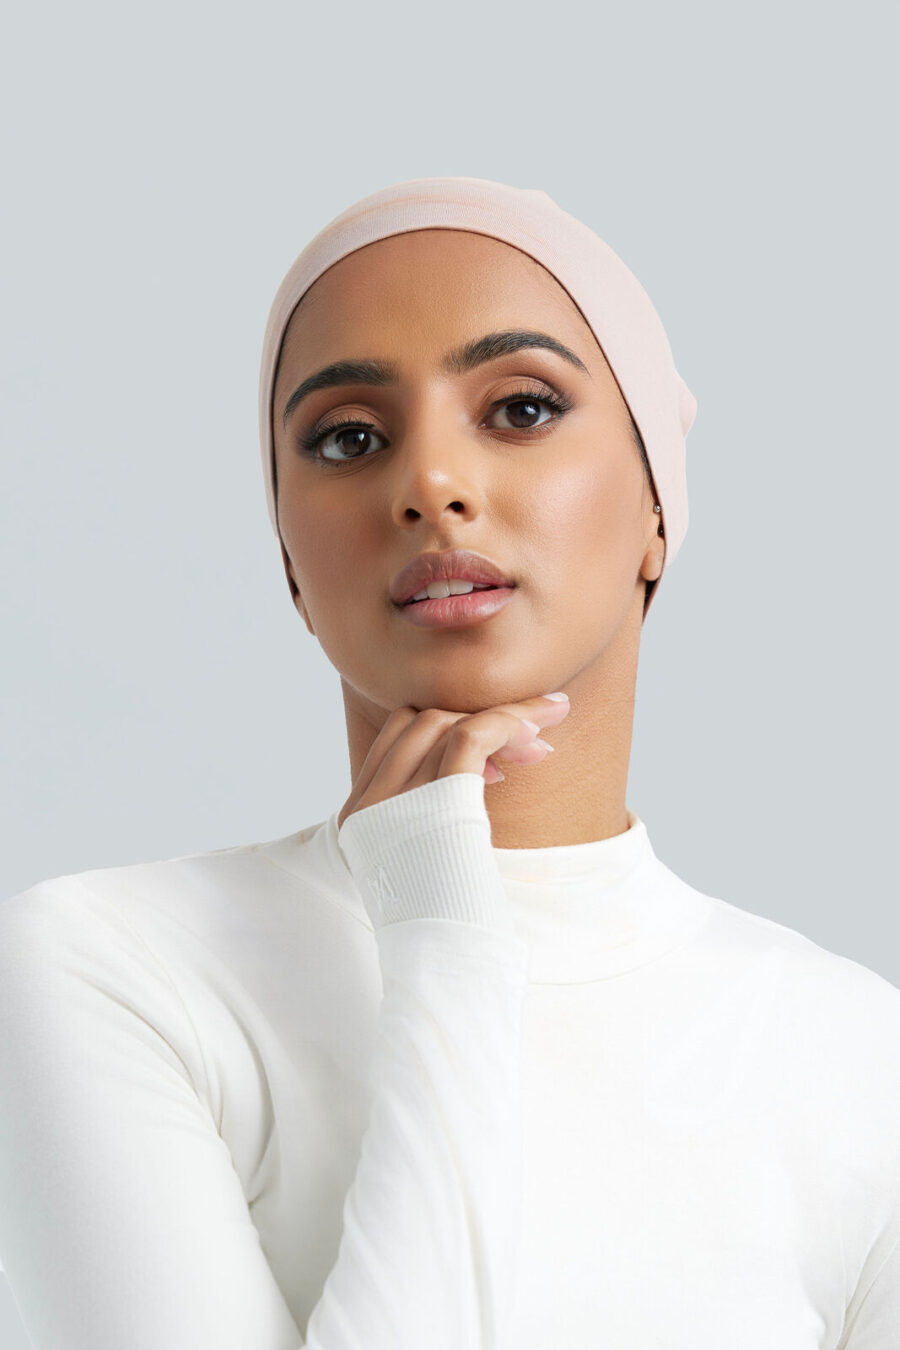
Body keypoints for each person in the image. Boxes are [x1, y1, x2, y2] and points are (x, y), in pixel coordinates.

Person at [0, 176, 897, 1350]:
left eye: (520, 409)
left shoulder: (853, 1053)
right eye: (349, 437)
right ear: (290, 560)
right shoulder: (115, 966)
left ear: (656, 507)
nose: (429, 484)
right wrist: (440, 937)